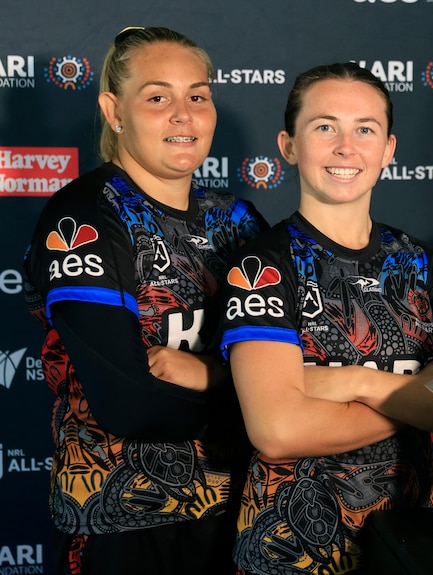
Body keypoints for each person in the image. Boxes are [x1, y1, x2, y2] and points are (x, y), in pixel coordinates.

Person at [219, 62, 433, 574]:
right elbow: (278, 429)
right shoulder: (263, 266)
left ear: (388, 149)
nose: (346, 147)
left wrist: (344, 384)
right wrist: (417, 392)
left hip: (412, 540)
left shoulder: (426, 263)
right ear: (288, 146)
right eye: (325, 127)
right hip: (291, 551)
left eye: (365, 129)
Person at [22, 26, 267, 575]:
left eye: (197, 96)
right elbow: (127, 401)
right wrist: (269, 401)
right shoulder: (86, 216)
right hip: (126, 518)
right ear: (114, 110)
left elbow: (306, 357)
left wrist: (210, 373)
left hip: (244, 513)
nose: (184, 115)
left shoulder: (238, 219)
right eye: (158, 98)